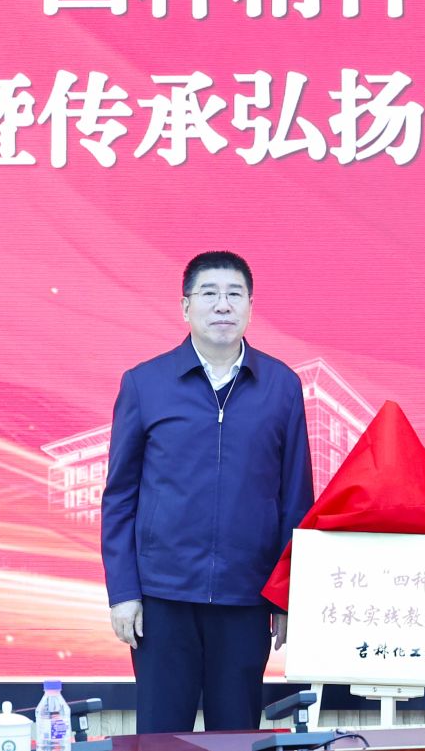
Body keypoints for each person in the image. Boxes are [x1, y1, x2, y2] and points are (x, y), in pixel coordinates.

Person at [100, 251, 314, 733]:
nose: (223, 305)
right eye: (209, 294)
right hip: (162, 596)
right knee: (162, 736)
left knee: (236, 734)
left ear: (250, 307)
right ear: (185, 306)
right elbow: (119, 497)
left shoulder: (281, 386)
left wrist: (285, 596)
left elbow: (296, 499)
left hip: (246, 596)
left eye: (235, 294)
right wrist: (123, 591)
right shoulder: (145, 384)